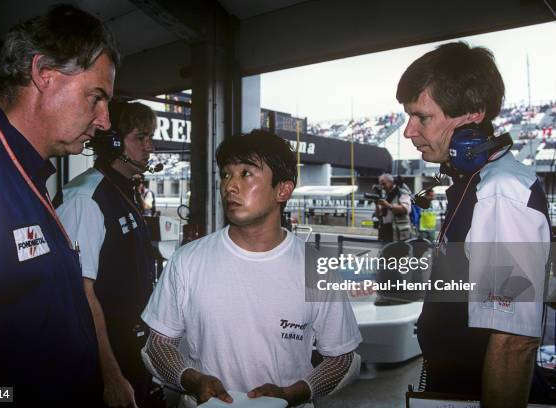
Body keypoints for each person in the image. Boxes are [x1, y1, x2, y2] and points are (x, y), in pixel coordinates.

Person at [0, 5, 118, 404]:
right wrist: (6, 396)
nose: (105, 120)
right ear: (43, 74)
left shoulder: (26, 173)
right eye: (96, 97)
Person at [141, 130, 362, 407]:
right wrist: (191, 379)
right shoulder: (187, 261)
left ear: (282, 190)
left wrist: (293, 393)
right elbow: (157, 346)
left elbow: (343, 358)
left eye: (246, 174)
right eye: (225, 174)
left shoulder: (316, 268)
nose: (230, 186)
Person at [397, 42, 551, 407]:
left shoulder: (501, 193)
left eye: (422, 117)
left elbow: (514, 342)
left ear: (473, 115)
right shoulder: (473, 183)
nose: (408, 131)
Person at [56, 100, 158, 407]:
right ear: (114, 142)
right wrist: (111, 375)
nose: (149, 147)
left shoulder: (122, 190)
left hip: (129, 345)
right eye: (141, 137)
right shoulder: (86, 198)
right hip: (103, 356)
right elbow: (80, 292)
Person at [374, 173, 412, 242]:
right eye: (380, 184)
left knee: (399, 252)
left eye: (384, 184)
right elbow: (379, 216)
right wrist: (376, 204)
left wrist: (388, 206)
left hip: (399, 231)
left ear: (391, 182)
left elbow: (405, 209)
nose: (382, 187)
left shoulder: (401, 192)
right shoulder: (385, 195)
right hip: (385, 229)